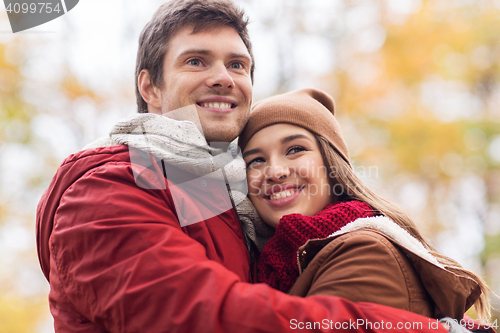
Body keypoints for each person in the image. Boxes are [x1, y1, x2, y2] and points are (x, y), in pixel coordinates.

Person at [35, 0, 489, 332]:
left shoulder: (218, 195)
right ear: (149, 88)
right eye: (196, 60)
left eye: (238, 64)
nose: (223, 77)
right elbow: (206, 314)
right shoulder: (107, 189)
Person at [238, 88, 492, 322]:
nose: (274, 171)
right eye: (256, 161)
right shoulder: (273, 264)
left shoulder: (365, 252)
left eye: (294, 149)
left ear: (331, 163)